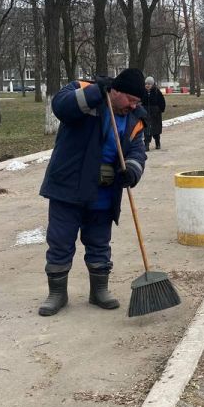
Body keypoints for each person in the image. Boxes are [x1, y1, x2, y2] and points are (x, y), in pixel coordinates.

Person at [37, 68, 148, 316]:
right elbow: (61, 107)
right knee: (60, 240)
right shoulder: (84, 91)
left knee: (99, 242)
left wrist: (131, 170)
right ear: (116, 91)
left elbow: (138, 151)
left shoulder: (135, 118)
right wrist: (97, 92)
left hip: (104, 192)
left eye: (137, 102)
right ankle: (57, 293)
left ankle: (99, 291)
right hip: (69, 187)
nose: (133, 106)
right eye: (131, 100)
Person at [141, 76, 166, 151]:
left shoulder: (156, 92)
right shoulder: (143, 92)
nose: (147, 85)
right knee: (146, 129)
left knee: (156, 130)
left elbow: (162, 102)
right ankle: (146, 144)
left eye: (149, 84)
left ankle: (157, 141)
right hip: (145, 113)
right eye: (146, 84)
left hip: (155, 114)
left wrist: (160, 109)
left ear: (152, 85)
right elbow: (140, 101)